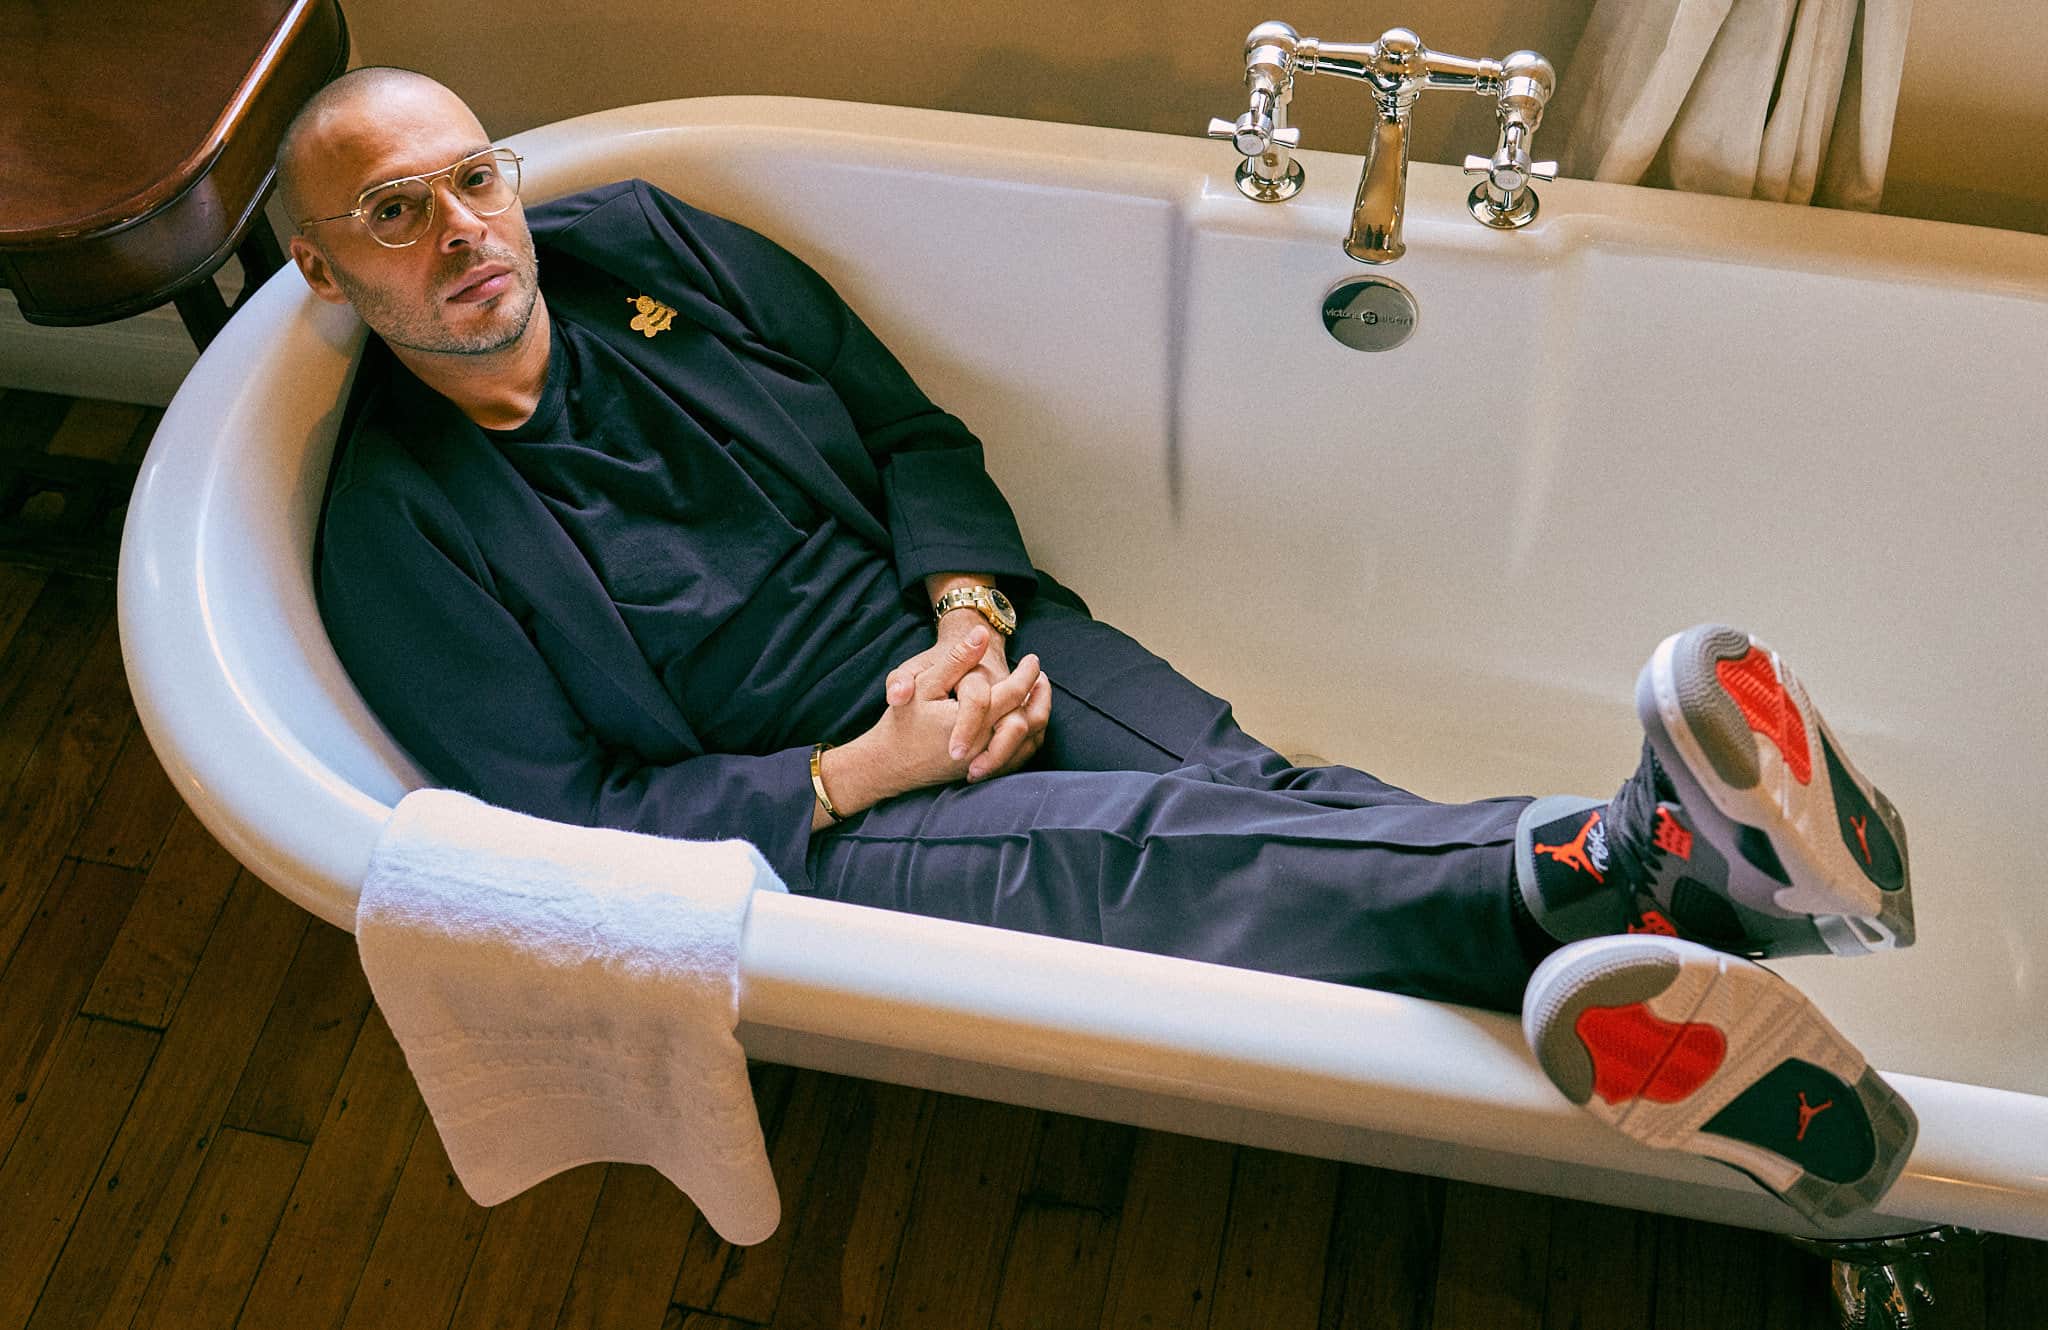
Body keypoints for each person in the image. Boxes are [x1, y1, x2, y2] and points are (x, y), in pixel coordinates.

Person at [282, 67, 1918, 1224]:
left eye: (476, 177)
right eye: (394, 212)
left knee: (1239, 793)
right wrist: (861, 769)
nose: (468, 231)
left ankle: (1667, 973)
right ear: (323, 265)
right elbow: (568, 827)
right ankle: (1623, 865)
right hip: (832, 829)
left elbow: (911, 436)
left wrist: (968, 617)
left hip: (986, 641)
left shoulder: (646, 243)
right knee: (1162, 852)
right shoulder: (398, 527)